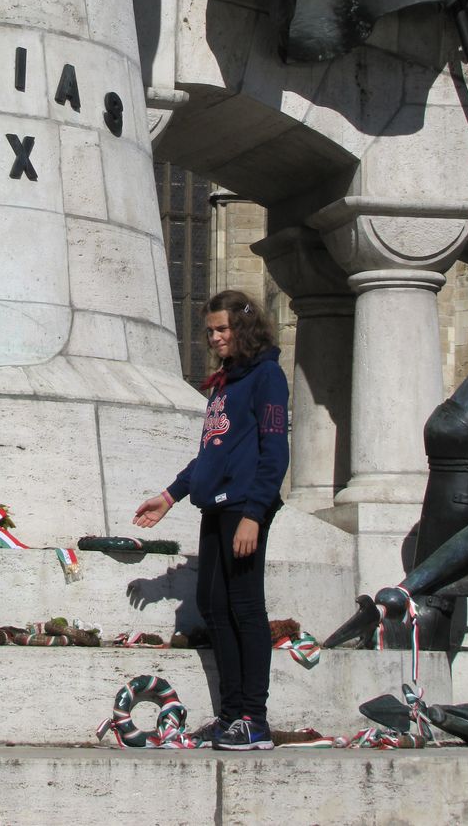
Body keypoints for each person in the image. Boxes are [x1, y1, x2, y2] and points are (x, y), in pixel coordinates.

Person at [134, 289, 289, 751]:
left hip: (244, 506)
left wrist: (255, 514)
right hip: (216, 506)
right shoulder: (225, 383)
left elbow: (275, 450)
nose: (216, 337)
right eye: (210, 331)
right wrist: (170, 495)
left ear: (244, 327)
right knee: (213, 604)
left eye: (223, 329)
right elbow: (211, 453)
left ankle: (255, 719)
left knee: (245, 606)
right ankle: (231, 715)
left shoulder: (266, 376)